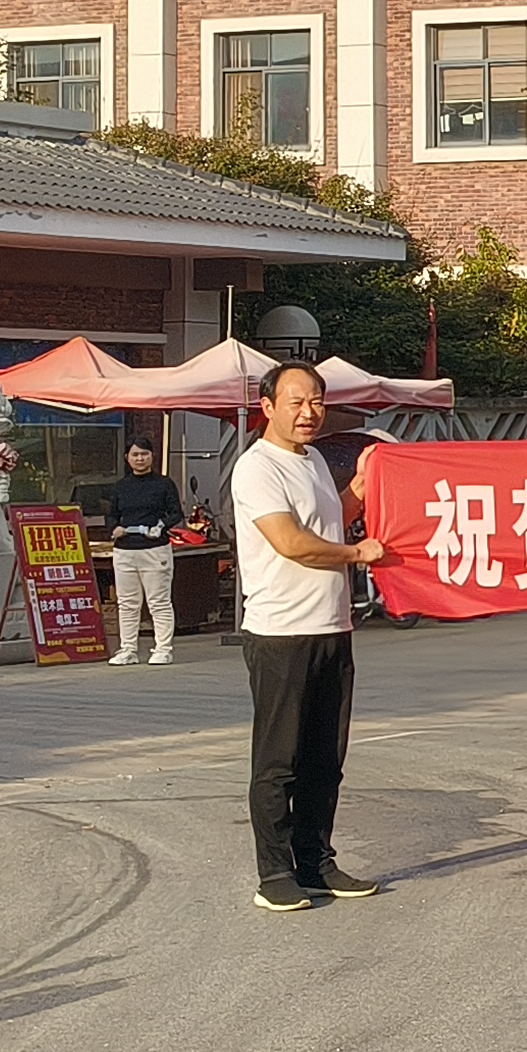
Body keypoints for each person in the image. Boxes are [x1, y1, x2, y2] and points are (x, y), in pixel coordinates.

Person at [231, 362, 389, 912]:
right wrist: (356, 554)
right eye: (295, 402)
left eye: (317, 401)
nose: (308, 412)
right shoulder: (256, 469)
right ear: (267, 406)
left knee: (326, 758)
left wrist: (361, 489)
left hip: (332, 626)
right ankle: (273, 874)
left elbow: (329, 520)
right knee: (279, 761)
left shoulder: (316, 460)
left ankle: (316, 862)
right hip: (281, 634)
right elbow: (292, 542)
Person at [107, 438, 184, 666]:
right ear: (127, 458)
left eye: (144, 454)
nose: (139, 458)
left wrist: (160, 526)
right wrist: (114, 528)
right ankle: (128, 649)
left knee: (158, 601)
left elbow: (175, 513)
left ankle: (163, 648)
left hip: (155, 549)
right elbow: (111, 514)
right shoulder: (120, 486)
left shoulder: (164, 484)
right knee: (127, 603)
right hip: (124, 551)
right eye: (135, 455)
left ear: (152, 456)